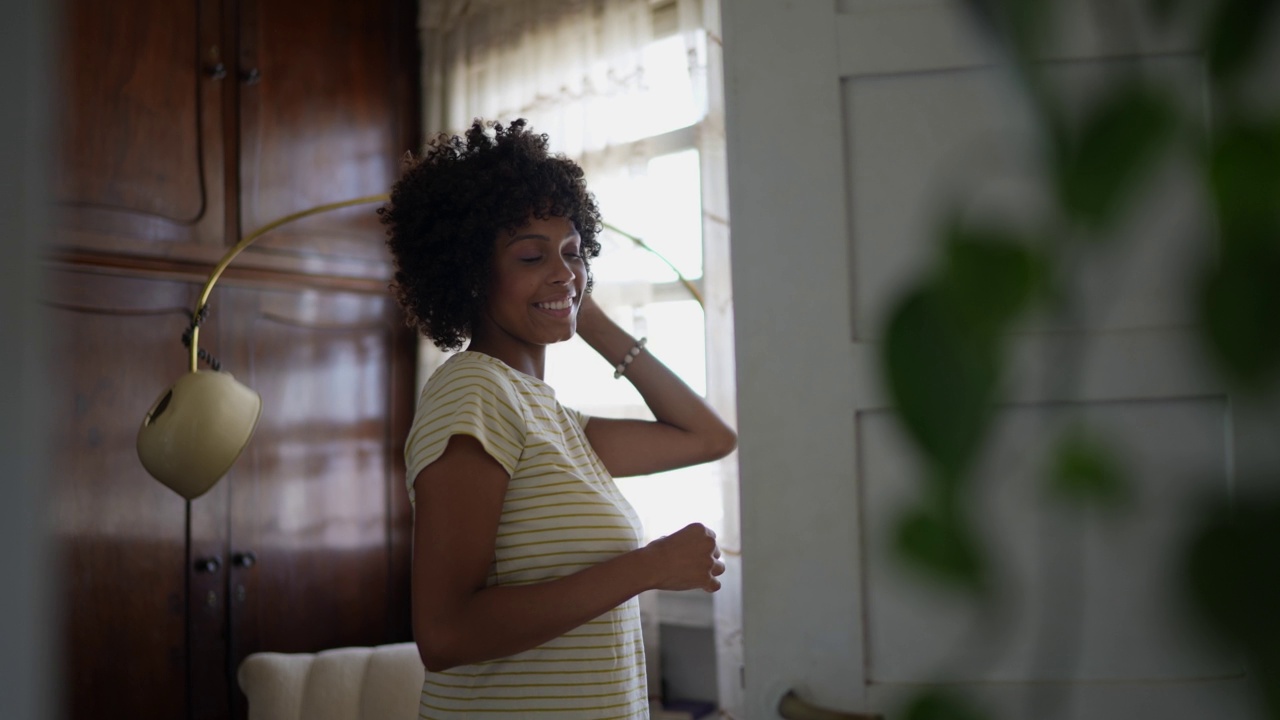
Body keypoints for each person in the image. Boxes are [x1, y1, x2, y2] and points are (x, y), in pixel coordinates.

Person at [380, 118, 737, 719]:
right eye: (529, 254)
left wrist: (580, 308)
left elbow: (709, 436)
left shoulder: (551, 417)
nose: (563, 270)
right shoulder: (475, 392)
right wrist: (647, 567)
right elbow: (445, 635)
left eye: (573, 252)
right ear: (469, 273)